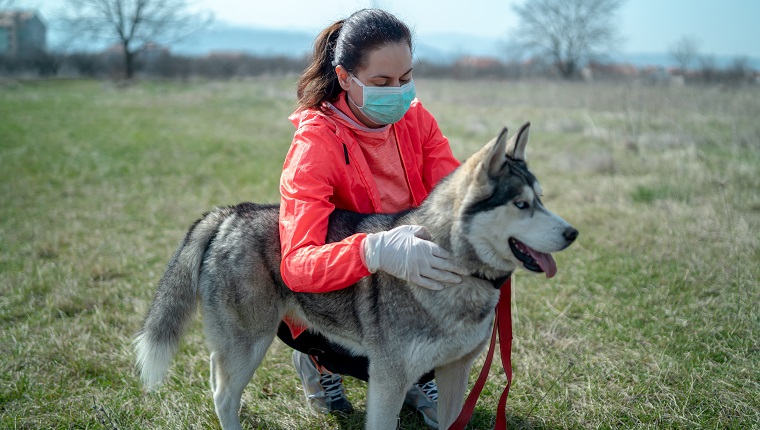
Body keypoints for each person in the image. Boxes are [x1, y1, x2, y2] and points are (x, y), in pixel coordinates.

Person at [277, 8, 468, 428]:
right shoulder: (314, 146)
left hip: (410, 278)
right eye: (382, 83)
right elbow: (296, 268)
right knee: (367, 348)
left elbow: (454, 196)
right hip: (344, 293)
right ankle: (317, 361)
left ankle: (417, 375)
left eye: (405, 79)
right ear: (345, 78)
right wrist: (374, 249)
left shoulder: (416, 119)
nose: (398, 92)